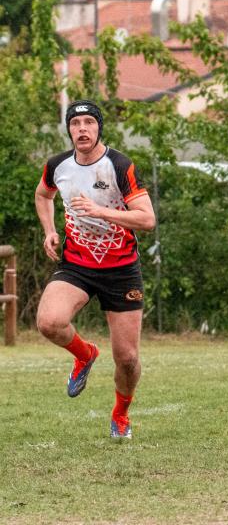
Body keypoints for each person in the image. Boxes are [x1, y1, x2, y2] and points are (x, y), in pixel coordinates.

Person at [35, 100, 155, 439]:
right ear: (69, 130)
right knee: (49, 322)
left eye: (89, 122)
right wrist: (49, 230)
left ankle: (120, 414)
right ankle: (85, 354)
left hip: (121, 269)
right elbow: (43, 195)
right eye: (76, 124)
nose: (82, 129)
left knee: (127, 359)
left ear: (99, 127)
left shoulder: (119, 165)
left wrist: (101, 211)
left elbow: (147, 219)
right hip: (77, 265)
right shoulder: (57, 165)